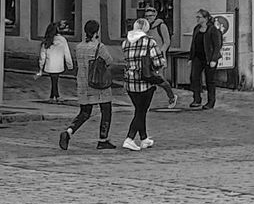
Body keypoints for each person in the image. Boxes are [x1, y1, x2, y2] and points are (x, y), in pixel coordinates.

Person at [59, 20, 120, 151]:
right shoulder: (99, 47)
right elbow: (109, 61)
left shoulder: (79, 46)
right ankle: (103, 139)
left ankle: (69, 131)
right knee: (106, 110)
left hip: (83, 82)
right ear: (96, 32)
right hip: (98, 83)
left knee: (84, 112)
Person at [121, 13, 165, 150]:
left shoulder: (125, 42)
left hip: (130, 81)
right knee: (141, 111)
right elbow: (157, 62)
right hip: (145, 81)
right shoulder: (149, 42)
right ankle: (129, 138)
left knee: (140, 109)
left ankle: (144, 138)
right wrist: (159, 64)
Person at [187, 10, 223, 110]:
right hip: (198, 57)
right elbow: (193, 44)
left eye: (199, 17)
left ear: (205, 18)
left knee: (210, 81)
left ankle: (211, 101)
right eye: (197, 17)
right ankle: (197, 99)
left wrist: (214, 59)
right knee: (194, 78)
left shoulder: (213, 30)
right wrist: (191, 57)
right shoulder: (197, 29)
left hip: (209, 58)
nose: (197, 19)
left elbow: (217, 45)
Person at [37, 22, 74, 103]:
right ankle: (56, 96)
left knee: (54, 80)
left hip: (50, 64)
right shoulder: (62, 40)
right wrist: (70, 65)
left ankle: (53, 96)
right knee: (55, 80)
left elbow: (42, 56)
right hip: (59, 65)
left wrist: (41, 67)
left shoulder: (47, 41)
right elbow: (67, 53)